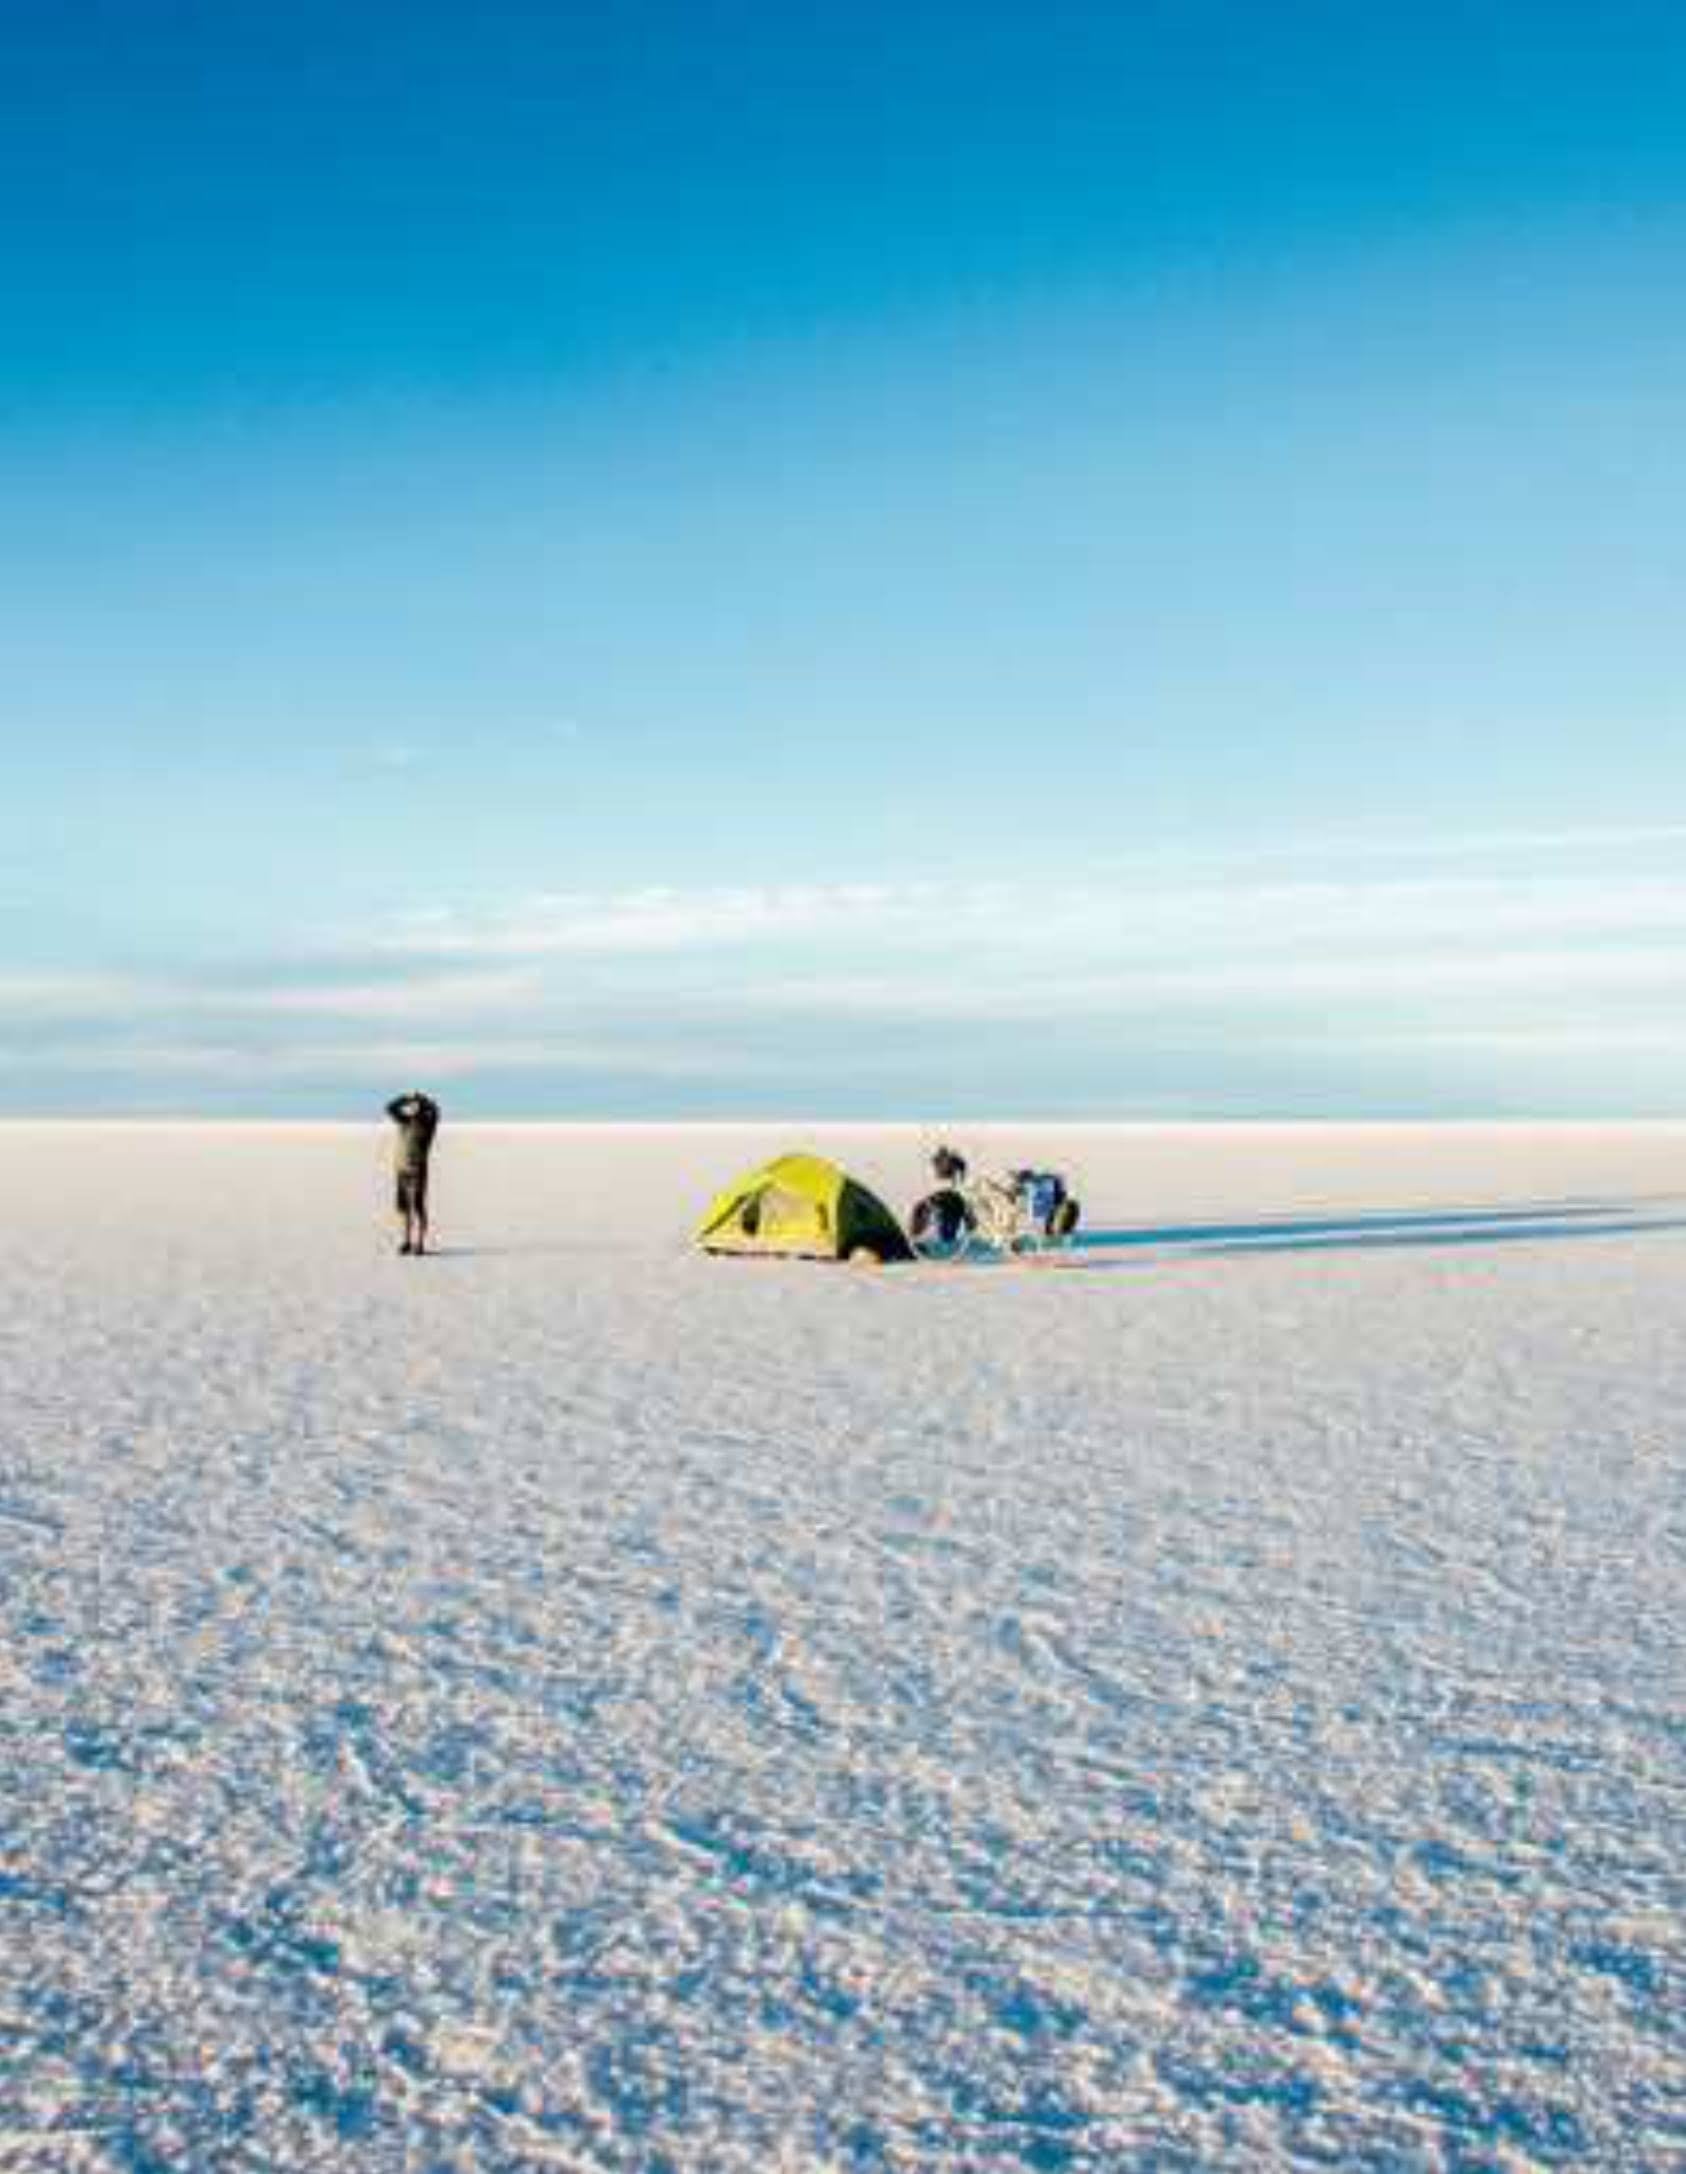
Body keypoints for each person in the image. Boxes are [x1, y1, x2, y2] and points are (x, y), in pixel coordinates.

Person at [386, 1090, 440, 1255]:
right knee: (403, 1208)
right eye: (412, 1106)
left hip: (417, 1170)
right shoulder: (404, 1121)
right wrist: (406, 1098)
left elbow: (436, 1111)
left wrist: (423, 1099)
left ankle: (419, 1243)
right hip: (401, 1169)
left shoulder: (428, 1124)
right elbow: (390, 1108)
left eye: (416, 1106)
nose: (413, 1108)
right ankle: (406, 1241)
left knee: (417, 1207)